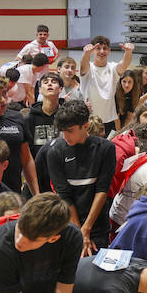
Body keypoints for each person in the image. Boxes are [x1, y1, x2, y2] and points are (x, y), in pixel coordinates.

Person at [45, 101, 116, 255]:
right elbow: (64, 195)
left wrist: (87, 228)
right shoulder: (54, 152)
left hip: (97, 225)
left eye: (70, 131)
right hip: (68, 224)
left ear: (85, 125)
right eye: (62, 131)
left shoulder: (106, 149)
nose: (65, 136)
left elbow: (102, 190)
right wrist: (79, 232)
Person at [80, 36, 135, 133]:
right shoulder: (89, 68)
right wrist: (86, 53)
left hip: (109, 120)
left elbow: (124, 64)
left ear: (109, 50)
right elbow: (83, 66)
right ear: (93, 50)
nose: (102, 51)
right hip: (89, 119)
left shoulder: (113, 67)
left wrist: (128, 52)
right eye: (98, 48)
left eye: (104, 48)